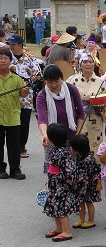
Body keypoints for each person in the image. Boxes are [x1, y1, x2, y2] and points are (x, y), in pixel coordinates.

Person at [36, 64, 85, 173]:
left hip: (71, 136)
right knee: (55, 172)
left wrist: (78, 133)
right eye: (49, 82)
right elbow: (42, 118)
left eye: (56, 81)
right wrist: (45, 134)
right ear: (45, 82)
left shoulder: (72, 89)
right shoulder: (42, 95)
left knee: (73, 170)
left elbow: (81, 113)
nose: (53, 85)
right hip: (53, 139)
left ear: (61, 78)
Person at [67, 53, 106, 159]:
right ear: (80, 65)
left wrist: (101, 105)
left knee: (94, 141)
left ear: (94, 65)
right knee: (78, 140)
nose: (88, 64)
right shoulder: (73, 80)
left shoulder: (101, 82)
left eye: (91, 62)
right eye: (85, 62)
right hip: (78, 115)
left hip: (95, 115)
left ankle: (95, 167)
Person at [8, 34, 42, 159]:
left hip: (26, 98)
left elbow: (38, 72)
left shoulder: (30, 58)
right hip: (11, 97)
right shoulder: (7, 58)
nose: (11, 47)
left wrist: (35, 77)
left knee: (24, 123)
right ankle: (14, 146)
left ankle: (22, 146)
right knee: (12, 124)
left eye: (13, 44)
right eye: (10, 44)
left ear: (20, 45)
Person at [43, 123, 79, 242]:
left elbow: (67, 170)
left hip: (61, 185)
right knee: (55, 206)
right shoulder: (58, 150)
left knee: (61, 207)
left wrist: (66, 181)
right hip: (54, 184)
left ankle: (67, 231)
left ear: (52, 140)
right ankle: (59, 228)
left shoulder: (62, 153)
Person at [0, 48, 29, 179]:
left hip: (13, 116)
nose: (2, 61)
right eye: (0, 58)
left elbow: (23, 94)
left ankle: (15, 169)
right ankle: (1, 169)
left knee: (14, 145)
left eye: (5, 58)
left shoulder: (17, 78)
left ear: (10, 61)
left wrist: (25, 91)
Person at [70, 134, 102, 229]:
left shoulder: (89, 160)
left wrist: (98, 183)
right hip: (79, 185)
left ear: (77, 149)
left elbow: (96, 172)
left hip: (89, 186)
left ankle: (91, 220)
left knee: (89, 203)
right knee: (80, 202)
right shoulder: (76, 157)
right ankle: (82, 219)